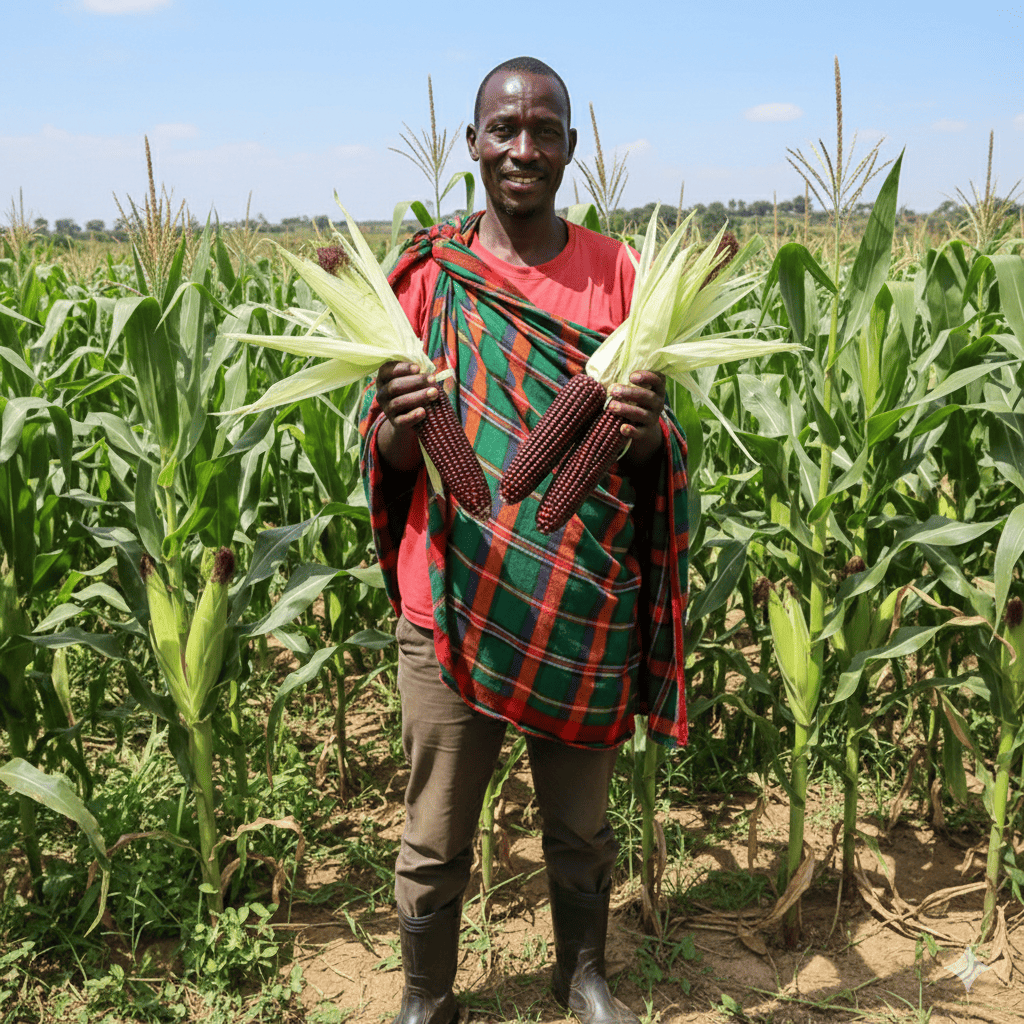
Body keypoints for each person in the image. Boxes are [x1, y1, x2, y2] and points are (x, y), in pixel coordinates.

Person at [360, 55, 689, 1024]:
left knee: (580, 826)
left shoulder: (620, 273)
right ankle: (427, 995)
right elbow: (386, 450)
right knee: (434, 829)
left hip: (580, 602)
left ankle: (581, 974)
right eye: (503, 128)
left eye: (544, 130)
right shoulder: (429, 277)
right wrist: (399, 421)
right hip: (448, 602)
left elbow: (652, 448)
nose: (522, 147)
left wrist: (643, 436)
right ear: (471, 143)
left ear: (571, 148)